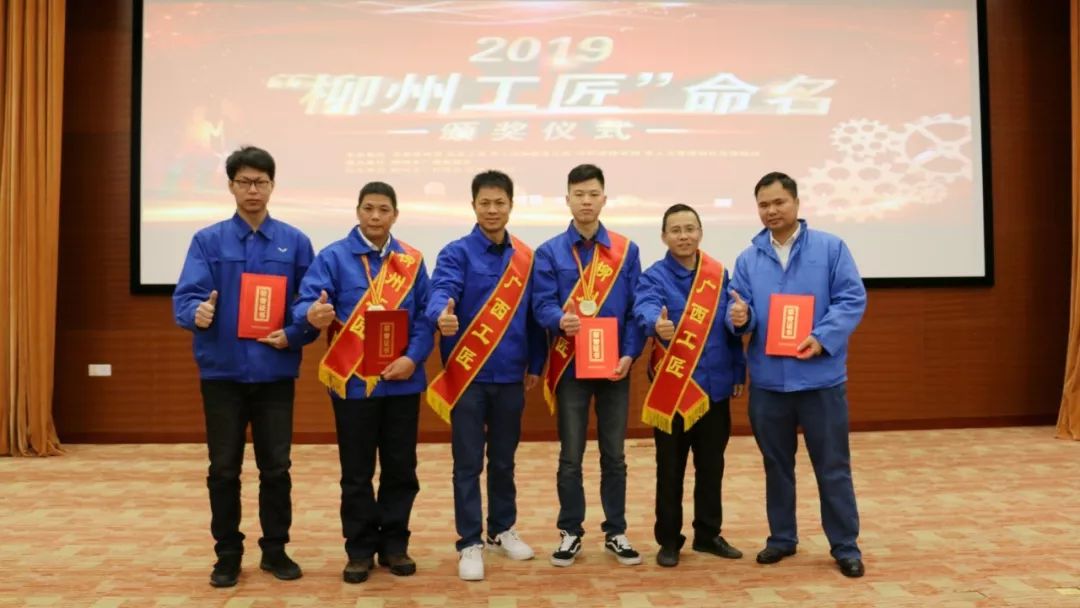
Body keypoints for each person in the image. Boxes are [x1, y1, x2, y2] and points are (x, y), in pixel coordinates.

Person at [172, 145, 315, 588]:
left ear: (272, 186)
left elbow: (309, 301)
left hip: (274, 372)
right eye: (244, 182)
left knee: (276, 468)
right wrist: (196, 312)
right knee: (223, 469)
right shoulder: (208, 241)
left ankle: (275, 549)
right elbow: (187, 297)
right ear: (231, 186)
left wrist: (294, 331)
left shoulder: (295, 241)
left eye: (261, 182)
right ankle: (228, 554)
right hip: (223, 373)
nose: (253, 190)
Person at [727, 171, 867, 578]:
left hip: (821, 380)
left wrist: (822, 338)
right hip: (769, 382)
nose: (771, 211)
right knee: (776, 465)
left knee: (832, 466)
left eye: (779, 202)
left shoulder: (830, 247)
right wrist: (740, 317)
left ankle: (845, 545)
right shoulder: (748, 258)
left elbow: (851, 298)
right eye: (764, 205)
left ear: (796, 203)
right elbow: (740, 311)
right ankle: (782, 538)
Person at [293, 181, 434, 584]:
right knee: (356, 472)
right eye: (369, 208)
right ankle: (358, 550)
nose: (375, 216)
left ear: (395, 215)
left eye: (384, 209)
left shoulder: (411, 260)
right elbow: (306, 302)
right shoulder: (333, 257)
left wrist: (412, 358)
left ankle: (394, 544)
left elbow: (425, 317)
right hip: (353, 384)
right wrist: (311, 314)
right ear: (357, 211)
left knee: (401, 468)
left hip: (402, 381)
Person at [424, 170, 548, 581]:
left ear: (510, 206)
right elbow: (441, 292)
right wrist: (440, 314)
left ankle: (501, 530)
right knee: (467, 462)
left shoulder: (526, 258)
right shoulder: (456, 253)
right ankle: (469, 542)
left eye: (499, 203)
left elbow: (534, 317)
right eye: (485, 203)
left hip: (511, 375)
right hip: (468, 376)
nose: (492, 210)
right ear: (473, 205)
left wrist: (536, 364)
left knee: (504, 460)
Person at [532, 163, 645, 567]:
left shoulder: (626, 250)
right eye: (578, 194)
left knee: (614, 454)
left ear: (604, 199)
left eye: (593, 194)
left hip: (614, 366)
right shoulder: (549, 252)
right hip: (571, 366)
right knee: (571, 455)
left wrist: (630, 354)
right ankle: (570, 531)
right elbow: (541, 304)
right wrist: (558, 320)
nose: (586, 201)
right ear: (567, 199)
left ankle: (616, 531)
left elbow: (636, 309)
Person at [633, 203, 746, 567]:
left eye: (690, 229)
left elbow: (732, 324)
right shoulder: (654, 276)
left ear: (700, 232)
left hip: (714, 388)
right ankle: (669, 540)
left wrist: (738, 370)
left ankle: (708, 534)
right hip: (674, 390)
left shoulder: (718, 274)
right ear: (664, 236)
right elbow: (645, 307)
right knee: (670, 470)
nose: (684, 236)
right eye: (676, 230)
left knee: (712, 467)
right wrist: (657, 324)